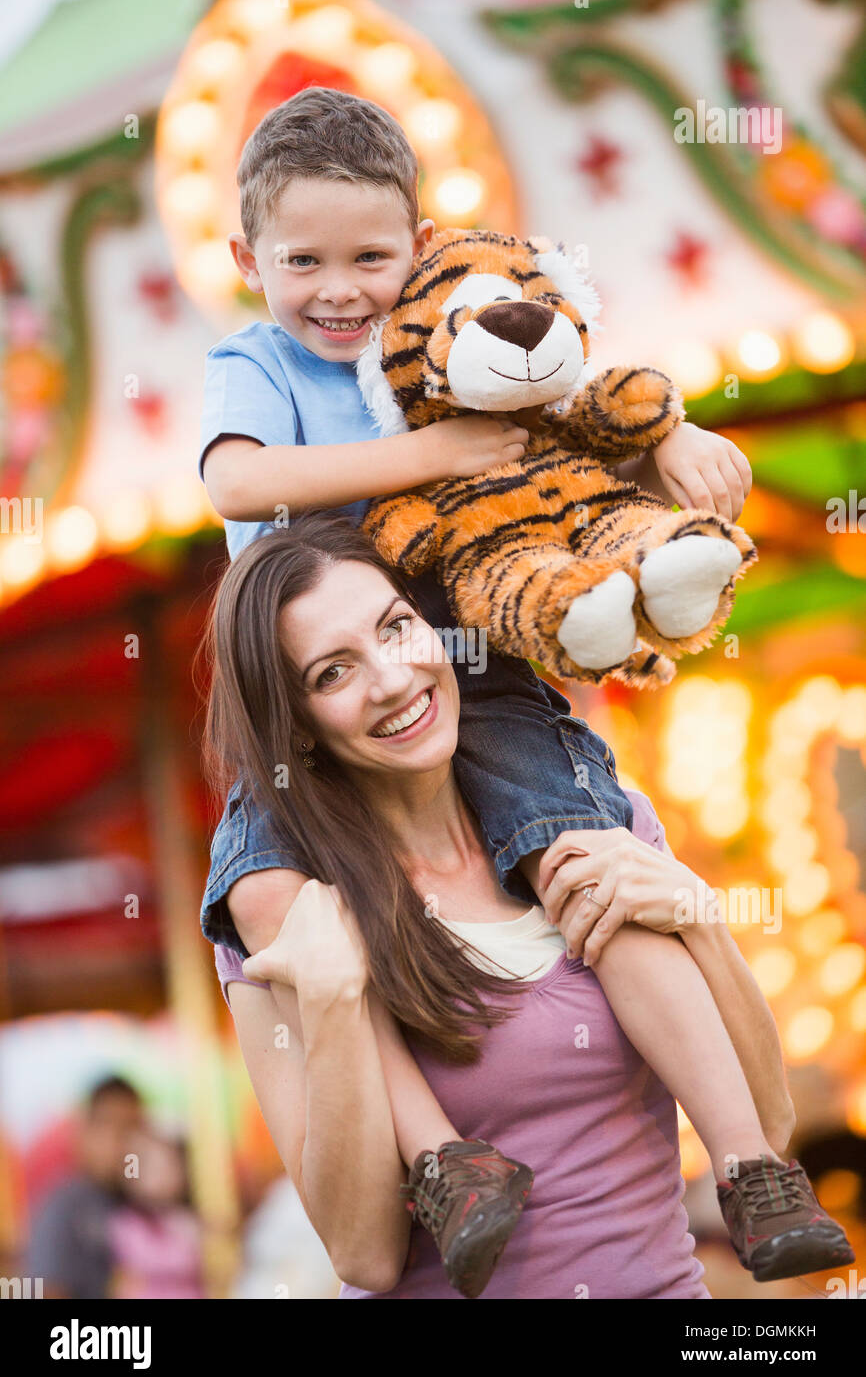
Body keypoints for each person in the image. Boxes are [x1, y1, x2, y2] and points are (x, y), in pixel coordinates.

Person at [195, 88, 842, 1294]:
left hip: (480, 664)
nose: (340, 290)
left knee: (586, 862)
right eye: (303, 262)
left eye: (371, 259)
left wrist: (668, 443)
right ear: (245, 261)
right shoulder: (260, 367)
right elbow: (241, 484)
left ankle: (750, 1167)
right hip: (281, 714)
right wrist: (429, 457)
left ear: (422, 246)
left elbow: (562, 400)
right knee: (274, 896)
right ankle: (442, 1160)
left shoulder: (436, 340)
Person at [201, 517, 854, 1298]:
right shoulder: (287, 925)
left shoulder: (599, 822)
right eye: (332, 673)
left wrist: (702, 919)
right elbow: (365, 1257)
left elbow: (769, 1127)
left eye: (397, 628)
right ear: (296, 726)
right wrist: (337, 1002)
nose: (394, 679)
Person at [27, 1075, 142, 1299]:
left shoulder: (143, 1203)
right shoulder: (63, 1207)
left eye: (134, 1128)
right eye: (112, 1127)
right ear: (85, 1133)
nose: (124, 1142)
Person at [107, 1126, 205, 1299]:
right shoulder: (128, 1224)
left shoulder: (186, 1217)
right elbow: (147, 1260)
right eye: (153, 1167)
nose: (165, 1173)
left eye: (171, 1163)